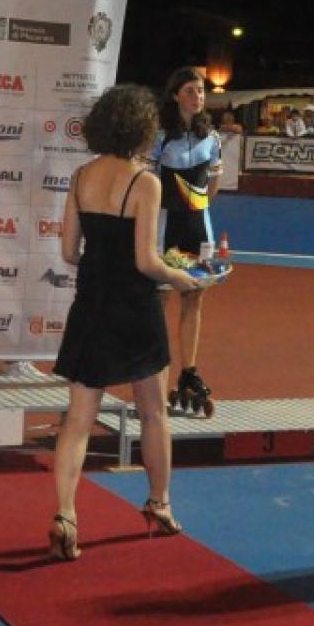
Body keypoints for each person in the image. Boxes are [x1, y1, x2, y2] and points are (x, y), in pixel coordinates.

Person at [48, 84, 210, 561]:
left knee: (78, 419)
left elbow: (68, 252)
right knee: (154, 412)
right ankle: (159, 503)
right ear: (141, 128)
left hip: (91, 303)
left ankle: (65, 515)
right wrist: (182, 278)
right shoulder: (145, 182)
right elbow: (145, 261)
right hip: (136, 306)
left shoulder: (81, 176)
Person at [153, 66, 224, 416]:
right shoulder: (159, 135)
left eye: (201, 91)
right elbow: (147, 183)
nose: (198, 97)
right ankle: (154, 374)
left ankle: (189, 372)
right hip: (165, 226)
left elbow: (213, 182)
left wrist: (200, 208)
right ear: (175, 96)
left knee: (194, 297)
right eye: (191, 91)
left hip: (199, 227)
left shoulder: (212, 136)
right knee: (160, 299)